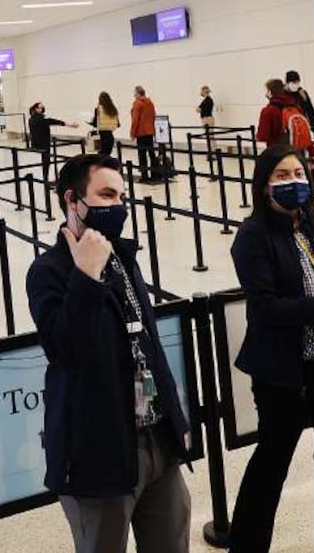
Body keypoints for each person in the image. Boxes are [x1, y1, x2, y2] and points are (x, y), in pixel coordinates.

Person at [26, 154, 191, 553]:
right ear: (71, 199)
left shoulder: (123, 257)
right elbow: (66, 351)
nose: (117, 205)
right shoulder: (49, 271)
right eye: (105, 194)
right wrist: (86, 276)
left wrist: (175, 418)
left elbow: (148, 342)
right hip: (98, 451)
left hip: (156, 438)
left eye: (121, 196)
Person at [227, 145, 314, 553]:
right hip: (284, 371)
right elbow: (265, 308)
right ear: (264, 185)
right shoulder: (253, 237)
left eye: (298, 173)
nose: (293, 182)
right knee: (272, 462)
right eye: (281, 176)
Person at [256, 79, 314, 161]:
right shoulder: (296, 106)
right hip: (298, 152)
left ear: (270, 92)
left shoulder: (268, 110)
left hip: (278, 153)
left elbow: (263, 136)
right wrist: (311, 152)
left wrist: (257, 137)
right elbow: (304, 129)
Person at [27, 102, 77, 189]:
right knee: (46, 162)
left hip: (37, 143)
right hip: (43, 144)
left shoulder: (31, 119)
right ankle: (45, 181)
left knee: (46, 162)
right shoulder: (40, 118)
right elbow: (52, 121)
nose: (42, 109)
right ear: (35, 108)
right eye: (40, 107)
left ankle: (45, 180)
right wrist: (68, 124)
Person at [130, 86, 158, 179]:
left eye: (135, 93)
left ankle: (144, 175)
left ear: (138, 93)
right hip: (150, 131)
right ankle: (155, 173)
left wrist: (132, 133)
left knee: (142, 154)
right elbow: (154, 115)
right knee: (151, 153)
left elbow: (135, 120)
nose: (134, 95)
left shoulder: (137, 103)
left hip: (141, 132)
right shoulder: (150, 103)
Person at [92, 91, 121, 158]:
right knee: (107, 157)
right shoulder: (113, 109)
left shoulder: (98, 109)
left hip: (100, 137)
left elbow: (95, 124)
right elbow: (118, 124)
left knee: (100, 157)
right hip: (110, 137)